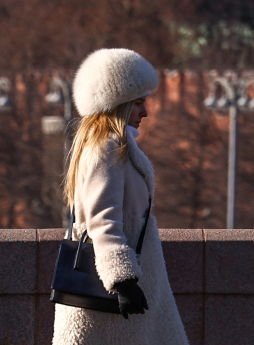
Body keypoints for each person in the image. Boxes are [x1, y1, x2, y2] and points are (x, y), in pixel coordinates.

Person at [53, 49, 189, 345]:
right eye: (138, 103)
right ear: (119, 104)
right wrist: (122, 279)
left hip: (128, 278)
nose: (146, 112)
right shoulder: (107, 148)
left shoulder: (113, 145)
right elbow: (102, 220)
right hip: (111, 287)